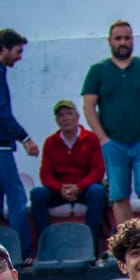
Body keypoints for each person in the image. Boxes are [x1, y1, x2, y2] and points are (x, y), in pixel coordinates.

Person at [80, 21, 140, 233]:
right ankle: (128, 243)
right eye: (118, 38)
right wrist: (102, 137)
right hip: (113, 143)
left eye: (127, 38)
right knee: (119, 194)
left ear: (133, 40)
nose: (123, 42)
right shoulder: (98, 71)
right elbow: (88, 105)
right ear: (110, 41)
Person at [0, 28, 40, 251]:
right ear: (4, 48)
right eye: (17, 51)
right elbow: (0, 111)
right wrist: (25, 138)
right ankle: (21, 251)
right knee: (16, 197)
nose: (19, 57)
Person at [30, 99, 109, 248]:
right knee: (37, 194)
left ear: (77, 116)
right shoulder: (50, 142)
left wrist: (79, 187)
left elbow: (98, 170)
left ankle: (90, 243)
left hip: (84, 190)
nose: (65, 118)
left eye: (69, 113)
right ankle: (46, 244)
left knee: (97, 192)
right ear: (57, 120)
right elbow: (45, 174)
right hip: (60, 190)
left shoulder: (90, 138)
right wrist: (60, 188)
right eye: (61, 115)